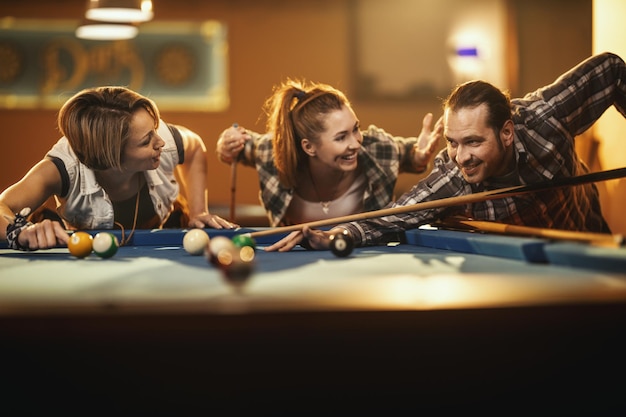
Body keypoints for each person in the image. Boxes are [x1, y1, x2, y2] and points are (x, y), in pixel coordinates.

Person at [267, 52, 625, 252]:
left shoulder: (546, 116)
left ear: (507, 132)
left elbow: (611, 70)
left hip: (584, 231)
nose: (460, 156)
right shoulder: (456, 175)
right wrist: (337, 235)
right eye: (452, 143)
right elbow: (393, 216)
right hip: (522, 264)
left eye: (472, 142)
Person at [0, 86, 236, 251]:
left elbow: (194, 147)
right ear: (111, 157)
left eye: (155, 129)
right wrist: (19, 231)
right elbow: (2, 207)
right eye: (146, 141)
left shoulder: (164, 140)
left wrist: (198, 212)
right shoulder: (63, 167)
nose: (161, 142)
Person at [216, 79, 442, 227]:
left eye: (356, 129)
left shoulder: (376, 149)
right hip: (294, 267)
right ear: (308, 147)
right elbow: (235, 149)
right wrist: (226, 143)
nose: (355, 143)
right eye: (341, 137)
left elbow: (409, 155)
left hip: (365, 264)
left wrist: (419, 156)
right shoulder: (273, 152)